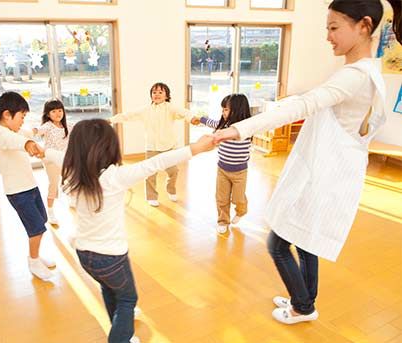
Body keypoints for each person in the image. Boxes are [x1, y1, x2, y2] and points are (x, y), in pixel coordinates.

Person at [214, 0, 401, 325]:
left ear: (364, 25)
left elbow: (305, 105)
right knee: (305, 238)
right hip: (326, 171)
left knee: (278, 243)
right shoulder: (368, 72)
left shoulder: (355, 76)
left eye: (333, 27)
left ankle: (302, 305)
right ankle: (304, 299)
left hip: (322, 174)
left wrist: (235, 130)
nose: (328, 36)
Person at [44, 119, 215, 343]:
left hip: (84, 254)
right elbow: (156, 163)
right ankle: (120, 338)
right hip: (111, 257)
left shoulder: (75, 169)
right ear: (109, 147)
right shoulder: (114, 177)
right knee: (127, 299)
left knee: (108, 288)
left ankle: (121, 329)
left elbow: (56, 155)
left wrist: (38, 148)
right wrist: (196, 148)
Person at [0, 91, 55, 280]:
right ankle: (33, 261)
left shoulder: (15, 130)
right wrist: (28, 144)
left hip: (30, 186)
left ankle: (36, 256)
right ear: (7, 115)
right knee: (36, 228)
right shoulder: (0, 133)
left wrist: (38, 133)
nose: (22, 120)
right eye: (21, 116)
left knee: (42, 219)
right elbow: (17, 141)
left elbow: (27, 133)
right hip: (18, 192)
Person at [108, 82, 196, 207]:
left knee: (173, 171)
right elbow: (128, 115)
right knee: (149, 173)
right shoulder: (146, 110)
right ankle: (151, 196)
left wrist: (192, 118)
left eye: (160, 92)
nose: (157, 94)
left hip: (169, 146)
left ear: (166, 95)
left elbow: (185, 112)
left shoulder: (170, 108)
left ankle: (171, 189)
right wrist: (111, 120)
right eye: (154, 92)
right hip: (151, 147)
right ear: (151, 95)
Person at [192, 94, 252, 234]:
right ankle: (223, 221)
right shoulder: (223, 124)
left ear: (237, 109)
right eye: (222, 109)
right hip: (222, 170)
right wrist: (200, 118)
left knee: (238, 198)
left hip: (240, 172)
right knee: (221, 198)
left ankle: (241, 210)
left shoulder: (247, 128)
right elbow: (212, 123)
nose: (223, 113)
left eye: (226, 109)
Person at [33, 99, 72, 225]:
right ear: (48, 114)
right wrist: (31, 131)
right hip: (50, 160)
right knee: (53, 185)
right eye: (53, 111)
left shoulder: (67, 126)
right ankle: (50, 211)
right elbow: (37, 130)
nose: (57, 114)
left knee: (72, 178)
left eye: (60, 110)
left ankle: (72, 199)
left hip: (62, 158)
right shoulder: (48, 126)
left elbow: (80, 128)